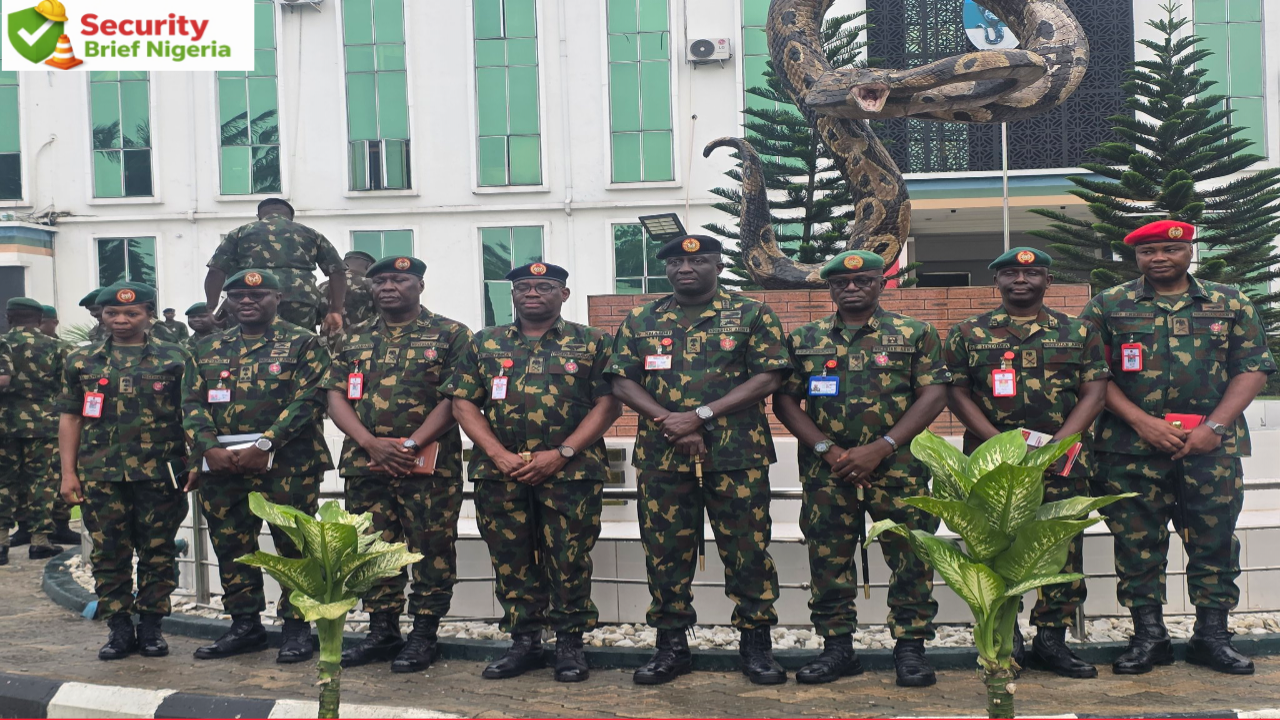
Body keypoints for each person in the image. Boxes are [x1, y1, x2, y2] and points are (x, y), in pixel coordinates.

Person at [1079, 221, 1274, 676]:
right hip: (1130, 450)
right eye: (1149, 251)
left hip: (1211, 450)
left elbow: (1252, 368)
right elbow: (1092, 376)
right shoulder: (1109, 305)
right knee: (1136, 545)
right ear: (1136, 258)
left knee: (1215, 543)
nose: (1160, 257)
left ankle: (1213, 637)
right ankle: (1149, 637)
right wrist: (1141, 422)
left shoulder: (1230, 302)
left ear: (1190, 251)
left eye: (1171, 248)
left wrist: (1216, 426)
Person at [606, 235, 792, 686]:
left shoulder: (752, 313)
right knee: (665, 553)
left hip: (736, 454)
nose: (684, 270)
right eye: (675, 264)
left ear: (717, 264)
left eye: (698, 261)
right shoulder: (642, 318)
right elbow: (620, 380)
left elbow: (769, 375)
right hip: (662, 455)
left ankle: (756, 645)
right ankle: (671, 646)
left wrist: (701, 415)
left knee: (748, 551)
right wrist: (668, 420)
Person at [773, 250, 950, 688]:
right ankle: (838, 649)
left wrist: (883, 446)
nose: (852, 288)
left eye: (863, 281)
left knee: (910, 558)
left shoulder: (915, 332)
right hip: (826, 474)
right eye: (841, 283)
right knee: (828, 560)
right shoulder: (805, 338)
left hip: (899, 470)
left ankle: (910, 650)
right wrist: (827, 450)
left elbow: (934, 395)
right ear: (830, 288)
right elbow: (784, 401)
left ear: (881, 283)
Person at [448, 262, 621, 683]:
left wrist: (562, 452)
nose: (532, 293)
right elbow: (463, 402)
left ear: (563, 295)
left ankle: (569, 642)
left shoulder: (593, 341)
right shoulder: (484, 342)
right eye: (523, 287)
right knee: (510, 558)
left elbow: (609, 403)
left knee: (569, 558)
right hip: (500, 472)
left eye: (544, 287)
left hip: (571, 472)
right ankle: (524, 640)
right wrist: (497, 454)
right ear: (512, 294)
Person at [945, 247, 1110, 678]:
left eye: (1032, 273)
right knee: (993, 546)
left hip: (1064, 462)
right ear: (996, 282)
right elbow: (957, 392)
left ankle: (1052, 639)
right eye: (1010, 274)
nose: (1021, 280)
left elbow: (1094, 391)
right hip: (992, 462)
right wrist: (999, 444)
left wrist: (1058, 443)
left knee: (1061, 547)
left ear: (1048, 281)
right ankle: (1007, 638)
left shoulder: (1078, 331)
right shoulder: (968, 332)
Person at [325, 256, 472, 673]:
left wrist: (410, 444)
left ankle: (424, 633)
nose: (388, 286)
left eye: (400, 279)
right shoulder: (352, 338)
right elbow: (335, 395)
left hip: (427, 464)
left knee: (430, 547)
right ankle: (382, 629)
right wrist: (371, 443)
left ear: (420, 285)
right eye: (381, 281)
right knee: (372, 545)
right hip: (366, 462)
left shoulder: (450, 334)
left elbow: (456, 397)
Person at [183, 269, 333, 664]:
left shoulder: (304, 343)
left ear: (277, 298)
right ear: (226, 302)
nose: (247, 301)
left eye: (258, 295)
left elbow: (311, 399)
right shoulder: (206, 348)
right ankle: (244, 626)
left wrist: (266, 443)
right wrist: (207, 448)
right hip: (222, 467)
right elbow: (191, 404)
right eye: (237, 296)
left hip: (287, 465)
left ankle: (298, 629)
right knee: (232, 545)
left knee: (294, 546)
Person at [57, 282, 190, 660]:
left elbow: (191, 415)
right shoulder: (81, 360)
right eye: (112, 313)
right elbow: (71, 418)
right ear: (101, 315)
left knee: (158, 550)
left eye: (132, 313)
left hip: (161, 472)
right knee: (108, 552)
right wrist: (68, 473)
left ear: (149, 314)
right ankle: (118, 628)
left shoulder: (177, 357)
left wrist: (195, 463)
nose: (121, 320)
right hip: (101, 473)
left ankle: (151, 628)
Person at [204, 198, 346, 335]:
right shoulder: (312, 234)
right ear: (291, 217)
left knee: (250, 341)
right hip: (300, 298)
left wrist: (212, 307)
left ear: (259, 216)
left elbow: (216, 270)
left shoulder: (240, 233)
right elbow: (338, 271)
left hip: (253, 299)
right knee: (301, 343)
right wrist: (335, 311)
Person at [0, 297, 68, 561]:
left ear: (8, 318)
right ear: (40, 320)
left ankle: (2, 542)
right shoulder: (59, 348)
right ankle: (40, 541)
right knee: (42, 481)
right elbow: (69, 388)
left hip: (4, 423)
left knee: (4, 482)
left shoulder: (2, 344)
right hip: (46, 423)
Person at [319, 250, 378, 330]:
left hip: (327, 341)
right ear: (369, 266)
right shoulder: (371, 284)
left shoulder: (322, 286)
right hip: (361, 341)